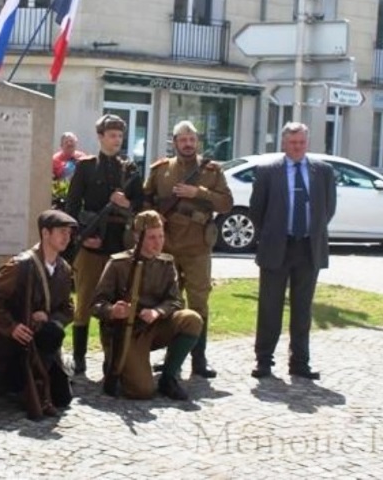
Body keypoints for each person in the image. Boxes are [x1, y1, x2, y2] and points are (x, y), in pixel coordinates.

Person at [142, 120, 232, 379]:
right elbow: (146, 200)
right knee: (169, 302)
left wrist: (199, 192)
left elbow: (226, 203)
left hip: (197, 248)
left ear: (197, 142)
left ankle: (199, 360)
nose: (188, 144)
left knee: (199, 302)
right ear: (174, 142)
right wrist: (155, 215)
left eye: (192, 139)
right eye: (183, 140)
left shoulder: (212, 171)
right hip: (167, 248)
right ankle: (172, 358)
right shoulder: (160, 170)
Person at [249, 122, 336, 381]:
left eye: (301, 142)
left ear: (306, 143)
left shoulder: (323, 171)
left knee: (302, 310)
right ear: (284, 143)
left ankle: (300, 362)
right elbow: (257, 210)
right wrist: (274, 233)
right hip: (278, 246)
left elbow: (328, 208)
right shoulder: (268, 171)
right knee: (269, 308)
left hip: (308, 247)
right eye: (292, 143)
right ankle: (264, 360)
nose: (297, 147)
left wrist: (311, 230)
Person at [92, 210, 203, 400]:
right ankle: (114, 362)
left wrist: (157, 312)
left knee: (192, 319)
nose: (158, 242)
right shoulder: (118, 263)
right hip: (127, 332)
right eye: (152, 237)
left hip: (155, 325)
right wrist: (113, 311)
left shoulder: (166, 263)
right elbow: (96, 304)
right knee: (142, 391)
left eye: (161, 236)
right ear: (137, 236)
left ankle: (168, 378)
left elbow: (176, 300)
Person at [65, 114, 143, 375]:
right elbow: (72, 207)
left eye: (120, 136)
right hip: (91, 245)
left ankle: (112, 354)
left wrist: (127, 204)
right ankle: (79, 357)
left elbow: (142, 208)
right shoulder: (86, 167)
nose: (116, 140)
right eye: (111, 135)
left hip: (119, 245)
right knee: (85, 300)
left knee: (115, 301)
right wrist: (83, 236)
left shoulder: (130, 169)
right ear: (100, 137)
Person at [0, 209, 78, 419]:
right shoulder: (21, 265)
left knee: (63, 398)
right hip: (18, 342)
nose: (67, 237)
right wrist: (11, 327)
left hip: (45, 341)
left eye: (69, 232)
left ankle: (35, 386)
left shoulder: (64, 269)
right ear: (46, 234)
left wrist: (50, 318)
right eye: (61, 231)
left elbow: (68, 309)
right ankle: (15, 383)